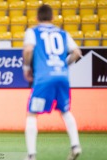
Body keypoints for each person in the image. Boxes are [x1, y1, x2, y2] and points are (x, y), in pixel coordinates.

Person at [22, 5, 82, 160]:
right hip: (62, 76)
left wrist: (27, 67)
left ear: (36, 18)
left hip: (43, 77)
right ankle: (75, 145)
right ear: (53, 18)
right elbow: (77, 53)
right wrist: (64, 64)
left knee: (32, 113)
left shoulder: (32, 32)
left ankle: (31, 155)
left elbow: (28, 50)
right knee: (65, 110)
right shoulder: (63, 33)